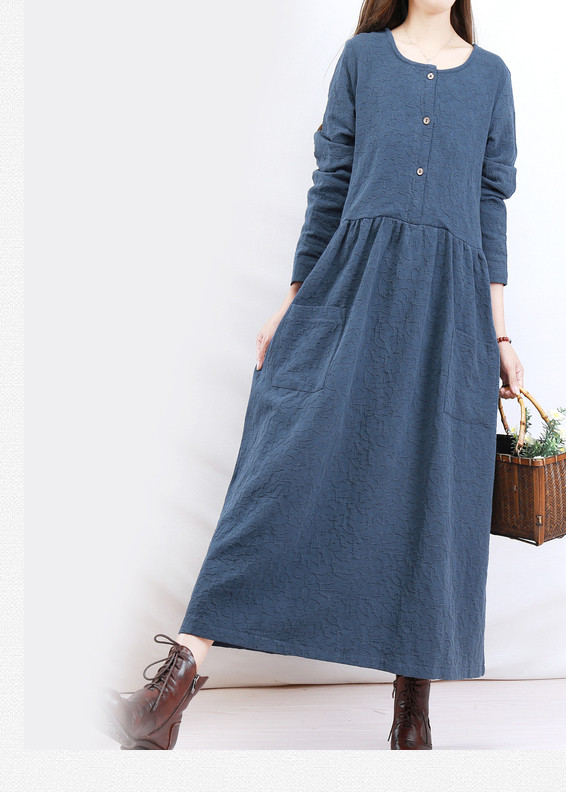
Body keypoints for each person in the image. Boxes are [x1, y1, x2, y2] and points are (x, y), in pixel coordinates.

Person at [99, 0, 523, 751]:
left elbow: (491, 202)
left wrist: (499, 334)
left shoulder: (492, 76)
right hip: (352, 289)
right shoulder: (362, 59)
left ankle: (413, 716)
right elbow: (332, 182)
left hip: (451, 311)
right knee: (282, 473)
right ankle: (173, 685)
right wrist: (295, 301)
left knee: (431, 492)